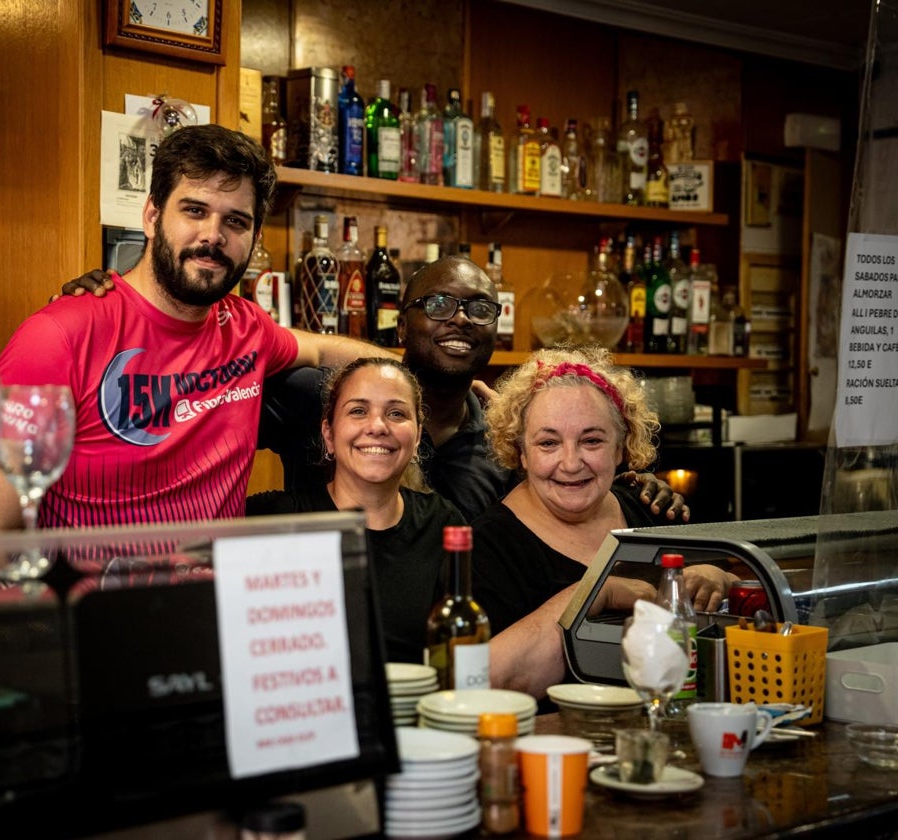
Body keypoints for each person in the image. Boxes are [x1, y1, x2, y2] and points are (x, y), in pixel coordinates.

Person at [0, 125, 393, 535]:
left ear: (254, 236)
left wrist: (438, 377)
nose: (213, 235)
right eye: (194, 210)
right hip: (98, 604)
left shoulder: (246, 326)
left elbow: (320, 350)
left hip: (217, 600)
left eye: (236, 222)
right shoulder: (58, 337)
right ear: (151, 215)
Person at [59, 255, 688, 524]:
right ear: (401, 321)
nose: (459, 319)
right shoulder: (320, 395)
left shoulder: (509, 436)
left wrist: (628, 488)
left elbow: (565, 485)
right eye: (437, 304)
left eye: (478, 308)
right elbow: (192, 396)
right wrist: (122, 305)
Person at [471, 346, 738, 699]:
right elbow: (480, 681)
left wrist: (716, 579)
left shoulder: (649, 508)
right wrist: (597, 592)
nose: (571, 462)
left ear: (621, 448)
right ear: (521, 452)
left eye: (592, 440)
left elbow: (737, 598)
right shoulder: (487, 546)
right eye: (548, 442)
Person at [247, 356, 465, 664]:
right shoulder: (272, 521)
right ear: (328, 434)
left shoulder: (444, 524)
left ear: (417, 437)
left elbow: (461, 648)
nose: (377, 426)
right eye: (358, 411)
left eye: (396, 413)